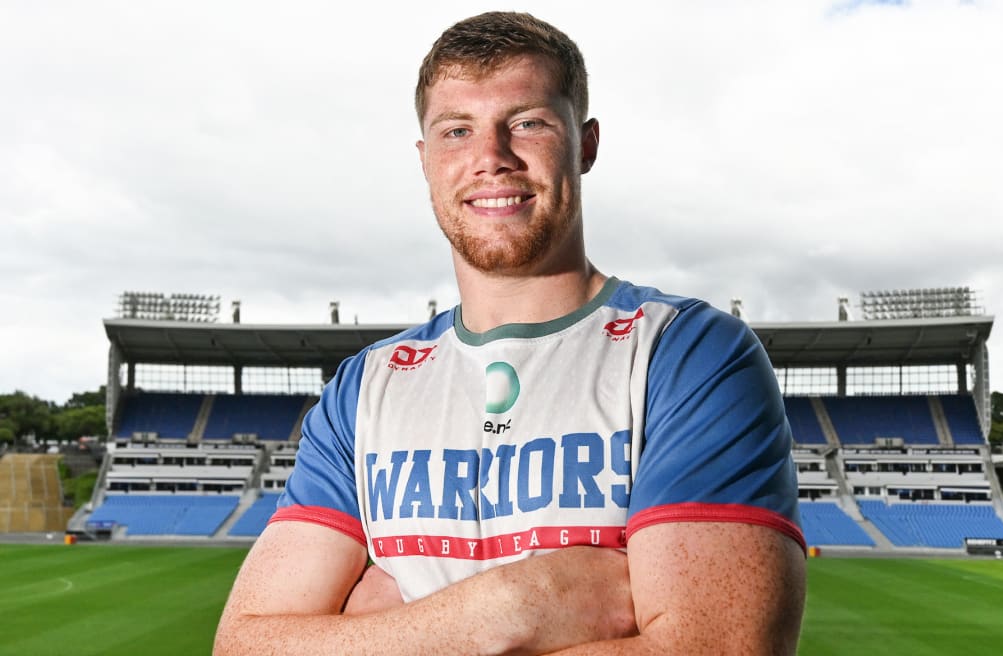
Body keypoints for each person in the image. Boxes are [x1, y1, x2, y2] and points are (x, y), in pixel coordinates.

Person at [214, 11, 806, 655]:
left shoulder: (687, 354)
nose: (490, 158)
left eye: (527, 123)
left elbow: (714, 650)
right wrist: (508, 610)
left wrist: (373, 631)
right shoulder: (365, 388)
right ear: (425, 160)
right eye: (456, 131)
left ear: (586, 144)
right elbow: (244, 646)